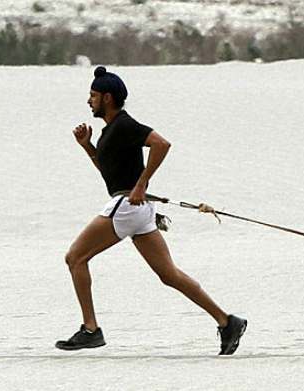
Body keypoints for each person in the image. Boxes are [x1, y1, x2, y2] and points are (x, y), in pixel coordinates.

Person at [56, 66, 246, 355]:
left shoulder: (124, 125)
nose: (88, 101)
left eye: (93, 96)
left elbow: (162, 144)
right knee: (169, 275)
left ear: (107, 98)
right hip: (137, 208)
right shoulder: (111, 131)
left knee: (75, 258)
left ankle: (91, 330)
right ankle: (227, 321)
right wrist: (88, 147)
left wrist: (142, 183)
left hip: (129, 207)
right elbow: (112, 176)